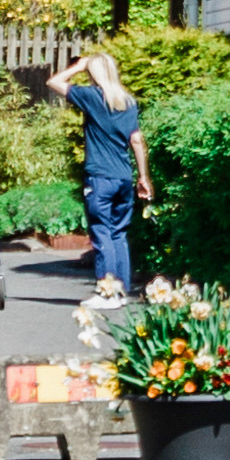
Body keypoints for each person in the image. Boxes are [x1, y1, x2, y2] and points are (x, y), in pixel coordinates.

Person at [67, 42, 152, 293]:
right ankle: (121, 290)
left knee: (102, 233)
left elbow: (54, 82)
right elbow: (136, 140)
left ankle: (107, 291)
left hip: (99, 177)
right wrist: (143, 177)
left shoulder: (92, 97)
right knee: (118, 234)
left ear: (93, 73)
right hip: (124, 177)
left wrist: (78, 67)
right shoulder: (129, 102)